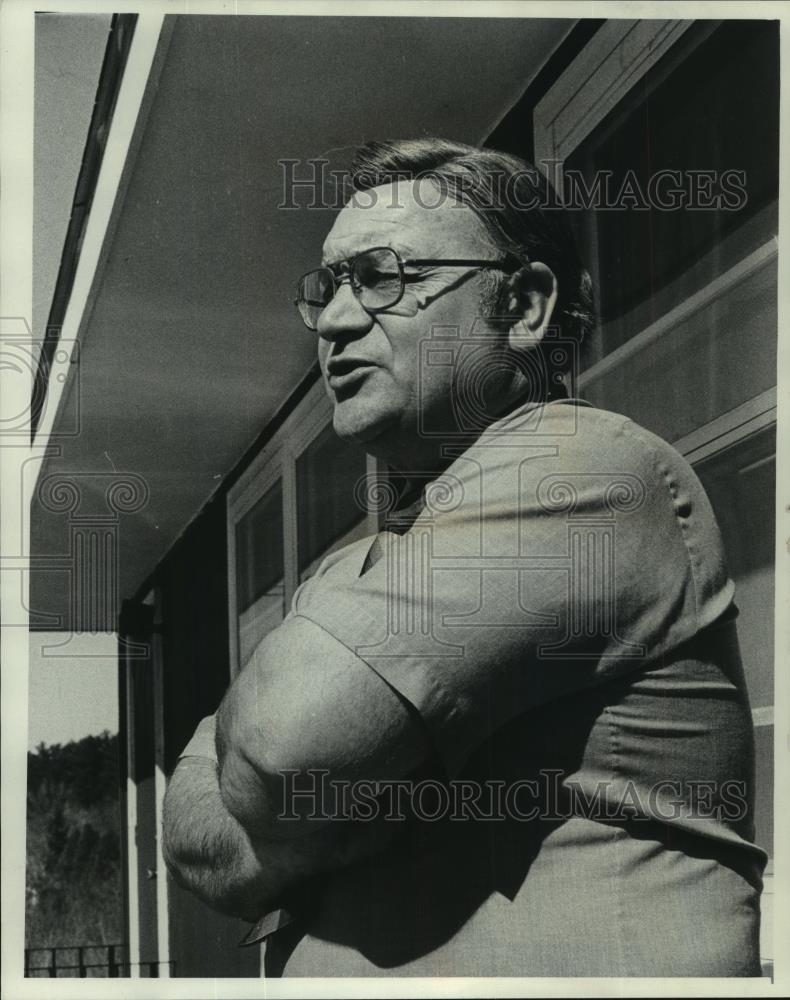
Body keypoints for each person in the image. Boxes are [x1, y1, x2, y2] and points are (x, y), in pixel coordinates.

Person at [163, 138, 766, 977]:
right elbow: (196, 851)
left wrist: (310, 805)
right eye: (329, 286)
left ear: (523, 308)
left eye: (383, 277)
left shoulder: (580, 471)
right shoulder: (352, 563)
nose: (336, 319)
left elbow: (278, 755)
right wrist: (335, 794)